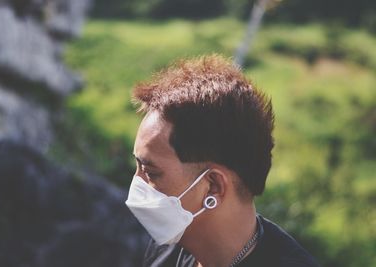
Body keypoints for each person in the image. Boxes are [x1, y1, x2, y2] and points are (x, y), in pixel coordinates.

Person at [125, 54, 319, 267]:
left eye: (151, 172)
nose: (137, 183)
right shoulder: (168, 248)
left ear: (213, 187)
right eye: (138, 166)